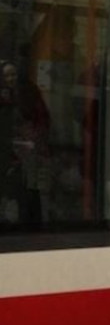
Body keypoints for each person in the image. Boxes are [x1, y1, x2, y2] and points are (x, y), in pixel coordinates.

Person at [0, 60, 50, 226]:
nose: (10, 78)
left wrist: (35, 140)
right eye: (6, 75)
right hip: (6, 153)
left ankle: (30, 224)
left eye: (13, 74)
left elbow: (41, 118)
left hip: (27, 152)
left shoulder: (28, 92)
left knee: (28, 191)